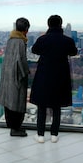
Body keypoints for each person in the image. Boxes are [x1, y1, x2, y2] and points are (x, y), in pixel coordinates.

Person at [30, 15, 78, 143]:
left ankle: (40, 135)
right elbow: (74, 52)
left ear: (48, 25)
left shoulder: (43, 39)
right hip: (61, 75)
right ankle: (54, 135)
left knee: (42, 105)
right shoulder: (67, 40)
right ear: (61, 25)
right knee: (57, 105)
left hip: (44, 75)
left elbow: (34, 50)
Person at [0, 17, 31, 137]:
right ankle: (16, 128)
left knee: (9, 102)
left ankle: (13, 127)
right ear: (26, 30)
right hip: (17, 77)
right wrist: (26, 72)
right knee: (17, 102)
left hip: (8, 75)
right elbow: (21, 60)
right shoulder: (20, 41)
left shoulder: (11, 39)